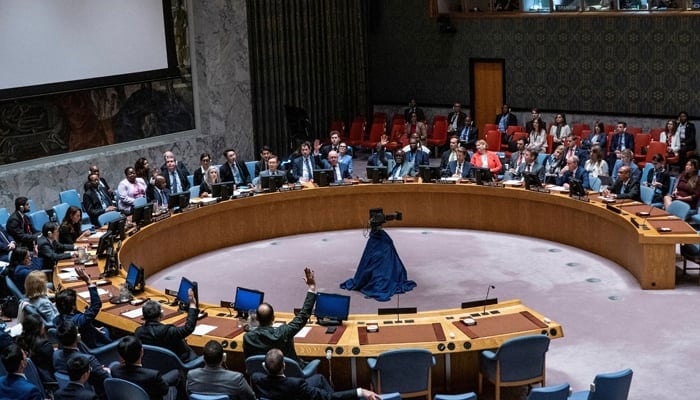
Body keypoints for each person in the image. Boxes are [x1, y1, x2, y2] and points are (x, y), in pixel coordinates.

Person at [243, 267, 317, 364]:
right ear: (273, 318)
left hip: (260, 376)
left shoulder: (248, 337)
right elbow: (303, 316)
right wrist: (312, 287)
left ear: (257, 318)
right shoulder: (283, 332)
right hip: (290, 375)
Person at [251, 348, 380, 400]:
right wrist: (360, 391)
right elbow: (328, 398)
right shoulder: (297, 385)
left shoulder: (256, 378)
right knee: (328, 396)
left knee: (319, 379)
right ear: (284, 366)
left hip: (279, 392)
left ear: (264, 367)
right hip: (292, 393)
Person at [135, 288, 199, 362]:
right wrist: (192, 305)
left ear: (143, 316)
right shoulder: (168, 331)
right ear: (161, 315)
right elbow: (188, 328)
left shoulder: (138, 332)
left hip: (152, 363)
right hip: (176, 363)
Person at [54, 265, 111, 348]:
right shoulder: (81, 320)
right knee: (108, 330)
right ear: (73, 306)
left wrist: (93, 329)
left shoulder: (56, 320)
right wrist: (89, 281)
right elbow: (96, 305)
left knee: (101, 328)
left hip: (86, 337)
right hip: (95, 347)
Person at [53, 320, 110, 399]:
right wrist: (104, 370)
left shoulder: (55, 355)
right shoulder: (87, 359)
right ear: (77, 337)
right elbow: (106, 378)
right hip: (91, 395)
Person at [186, 340, 255, 400]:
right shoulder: (236, 378)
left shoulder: (191, 375)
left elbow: (188, 394)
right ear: (223, 358)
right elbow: (251, 398)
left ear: (203, 359)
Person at [110, 336, 170, 400]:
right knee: (177, 374)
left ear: (120, 356)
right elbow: (165, 391)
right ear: (142, 352)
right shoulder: (153, 375)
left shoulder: (114, 370)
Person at [16, 313, 54, 383]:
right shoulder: (44, 345)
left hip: (28, 377)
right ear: (38, 328)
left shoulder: (19, 340)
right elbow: (53, 364)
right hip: (46, 379)